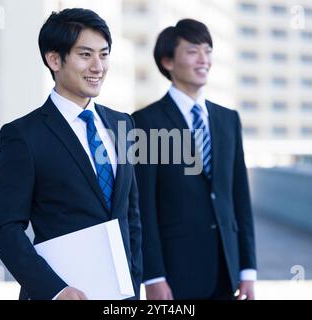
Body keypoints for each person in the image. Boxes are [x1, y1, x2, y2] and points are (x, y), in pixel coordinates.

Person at [0, 8, 142, 300]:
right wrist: (54, 290)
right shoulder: (23, 135)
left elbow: (131, 217)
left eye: (104, 54)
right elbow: (4, 228)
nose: (98, 66)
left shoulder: (123, 124)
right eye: (85, 55)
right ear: (54, 59)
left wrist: (134, 285)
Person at [132, 18, 257, 300]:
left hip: (227, 269)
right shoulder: (145, 123)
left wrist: (248, 270)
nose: (204, 60)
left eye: (208, 51)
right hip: (175, 274)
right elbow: (144, 208)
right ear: (168, 62)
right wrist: (153, 275)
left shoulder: (228, 120)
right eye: (192, 51)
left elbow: (239, 198)